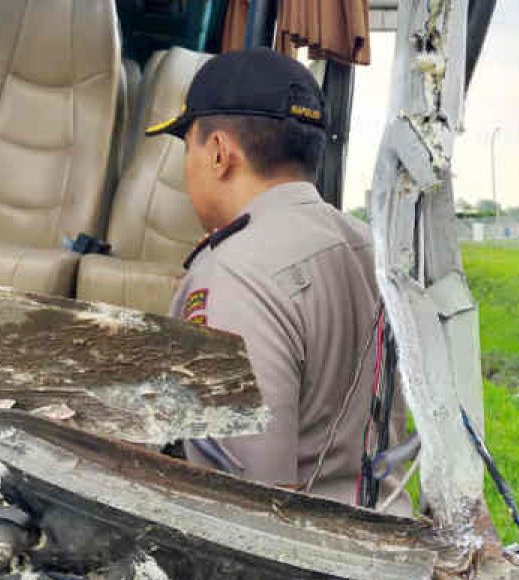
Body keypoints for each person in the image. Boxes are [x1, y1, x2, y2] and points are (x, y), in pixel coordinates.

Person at [145, 47, 408, 509]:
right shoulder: (375, 251)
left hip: (294, 569)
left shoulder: (231, 274)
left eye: (188, 148)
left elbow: (247, 498)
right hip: (381, 541)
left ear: (220, 154)